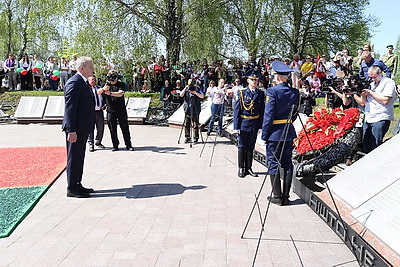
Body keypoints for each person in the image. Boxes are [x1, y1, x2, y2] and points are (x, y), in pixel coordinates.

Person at [261, 61, 299, 206]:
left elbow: (268, 115)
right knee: (288, 163)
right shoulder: (295, 92)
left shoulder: (272, 91)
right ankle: (286, 196)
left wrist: (265, 134)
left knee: (274, 164)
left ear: (277, 76)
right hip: (288, 132)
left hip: (274, 134)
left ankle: (277, 196)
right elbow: (294, 114)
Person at [62, 56, 96, 198]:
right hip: (75, 129)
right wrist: (71, 130)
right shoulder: (74, 83)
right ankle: (71, 188)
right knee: (74, 158)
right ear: (81, 68)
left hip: (82, 128)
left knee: (79, 157)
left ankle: (77, 183)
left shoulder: (82, 82)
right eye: (90, 67)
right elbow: (70, 108)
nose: (93, 69)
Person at [354, 66, 396, 153]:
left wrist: (370, 92)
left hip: (381, 117)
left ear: (380, 73)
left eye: (374, 77)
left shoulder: (388, 82)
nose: (372, 79)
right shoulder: (371, 84)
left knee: (375, 144)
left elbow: (385, 101)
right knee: (366, 144)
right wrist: (361, 93)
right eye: (370, 77)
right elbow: (363, 103)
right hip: (369, 117)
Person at [233, 70, 265, 178]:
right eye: (252, 80)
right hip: (244, 122)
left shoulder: (260, 93)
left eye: (256, 80)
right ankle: (241, 168)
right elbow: (237, 110)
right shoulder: (242, 92)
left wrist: (260, 126)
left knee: (251, 146)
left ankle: (249, 167)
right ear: (248, 80)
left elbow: (262, 111)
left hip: (254, 123)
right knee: (242, 146)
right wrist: (236, 126)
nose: (254, 82)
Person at [98, 70, 134, 151]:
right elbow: (98, 92)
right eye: (111, 78)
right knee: (112, 129)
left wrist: (110, 93)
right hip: (110, 110)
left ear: (117, 77)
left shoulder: (121, 84)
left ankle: (128, 145)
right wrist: (104, 89)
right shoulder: (106, 84)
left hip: (121, 110)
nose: (112, 80)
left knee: (124, 128)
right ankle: (115, 145)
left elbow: (120, 93)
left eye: (114, 78)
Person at [180, 79, 204, 144]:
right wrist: (185, 88)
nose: (191, 84)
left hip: (195, 109)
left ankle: (195, 138)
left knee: (195, 124)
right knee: (187, 124)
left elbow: (202, 96)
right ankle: (187, 137)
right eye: (190, 83)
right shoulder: (186, 89)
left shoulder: (197, 88)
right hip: (187, 109)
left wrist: (195, 93)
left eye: (192, 83)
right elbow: (181, 95)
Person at [87, 75, 106, 152]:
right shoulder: (86, 89)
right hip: (90, 112)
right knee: (90, 129)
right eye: (91, 80)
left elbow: (104, 98)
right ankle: (91, 144)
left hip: (99, 111)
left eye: (94, 80)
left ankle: (98, 142)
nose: (93, 81)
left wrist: (104, 105)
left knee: (101, 128)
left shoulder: (99, 89)